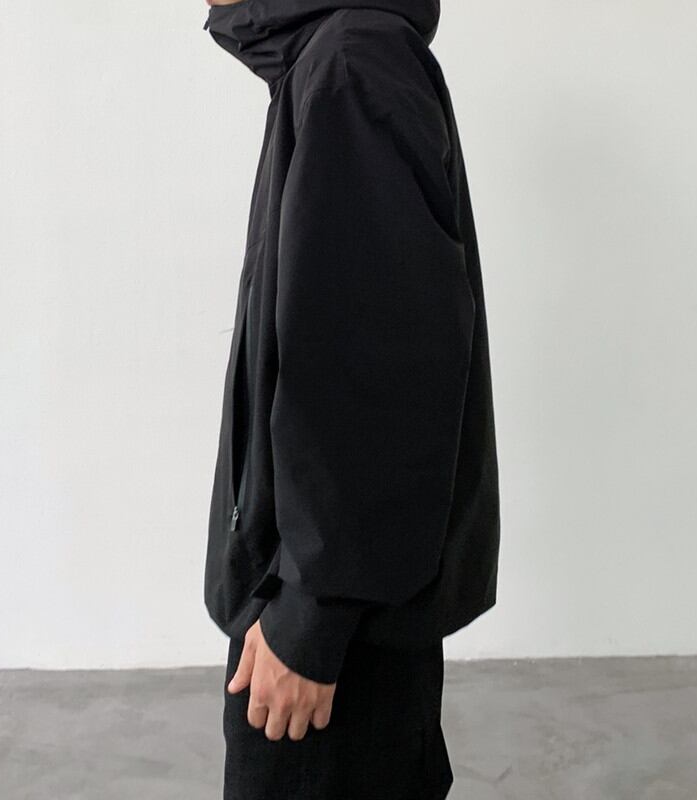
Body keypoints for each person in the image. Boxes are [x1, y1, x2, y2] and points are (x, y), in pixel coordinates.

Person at [202, 1, 500, 798]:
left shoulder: (350, 64)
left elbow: (380, 366)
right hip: (325, 586)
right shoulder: (327, 66)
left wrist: (312, 617)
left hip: (329, 613)